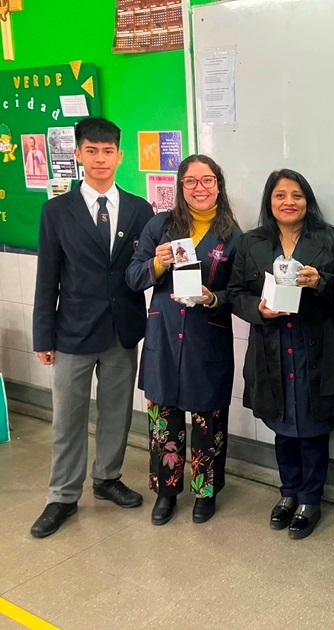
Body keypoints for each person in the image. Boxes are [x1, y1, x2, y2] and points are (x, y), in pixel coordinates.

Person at [31, 117, 154, 538]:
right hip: (72, 332)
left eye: (108, 151)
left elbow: (144, 268)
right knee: (68, 416)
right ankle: (62, 495)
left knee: (117, 412)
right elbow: (47, 277)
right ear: (79, 155)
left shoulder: (140, 209)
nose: (101, 159)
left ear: (120, 156)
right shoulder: (56, 211)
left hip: (122, 329)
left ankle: (107, 478)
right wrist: (43, 336)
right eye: (92, 151)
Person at [228, 169, 334, 539]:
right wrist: (259, 310)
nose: (289, 202)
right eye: (280, 195)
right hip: (271, 348)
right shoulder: (252, 242)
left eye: (296, 195)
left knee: (312, 428)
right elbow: (236, 293)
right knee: (282, 426)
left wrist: (321, 282)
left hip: (314, 347)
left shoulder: (332, 239)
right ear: (270, 201)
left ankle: (310, 500)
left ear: (307, 200)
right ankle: (288, 493)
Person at [126, 155, 242, 526]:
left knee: (208, 420)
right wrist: (157, 264)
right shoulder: (159, 226)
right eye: (190, 181)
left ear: (218, 185)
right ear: (180, 187)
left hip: (206, 339)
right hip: (164, 336)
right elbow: (133, 278)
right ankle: (166, 490)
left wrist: (213, 298)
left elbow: (238, 292)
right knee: (164, 420)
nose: (199, 188)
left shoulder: (233, 236)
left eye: (207, 180)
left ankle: (205, 493)